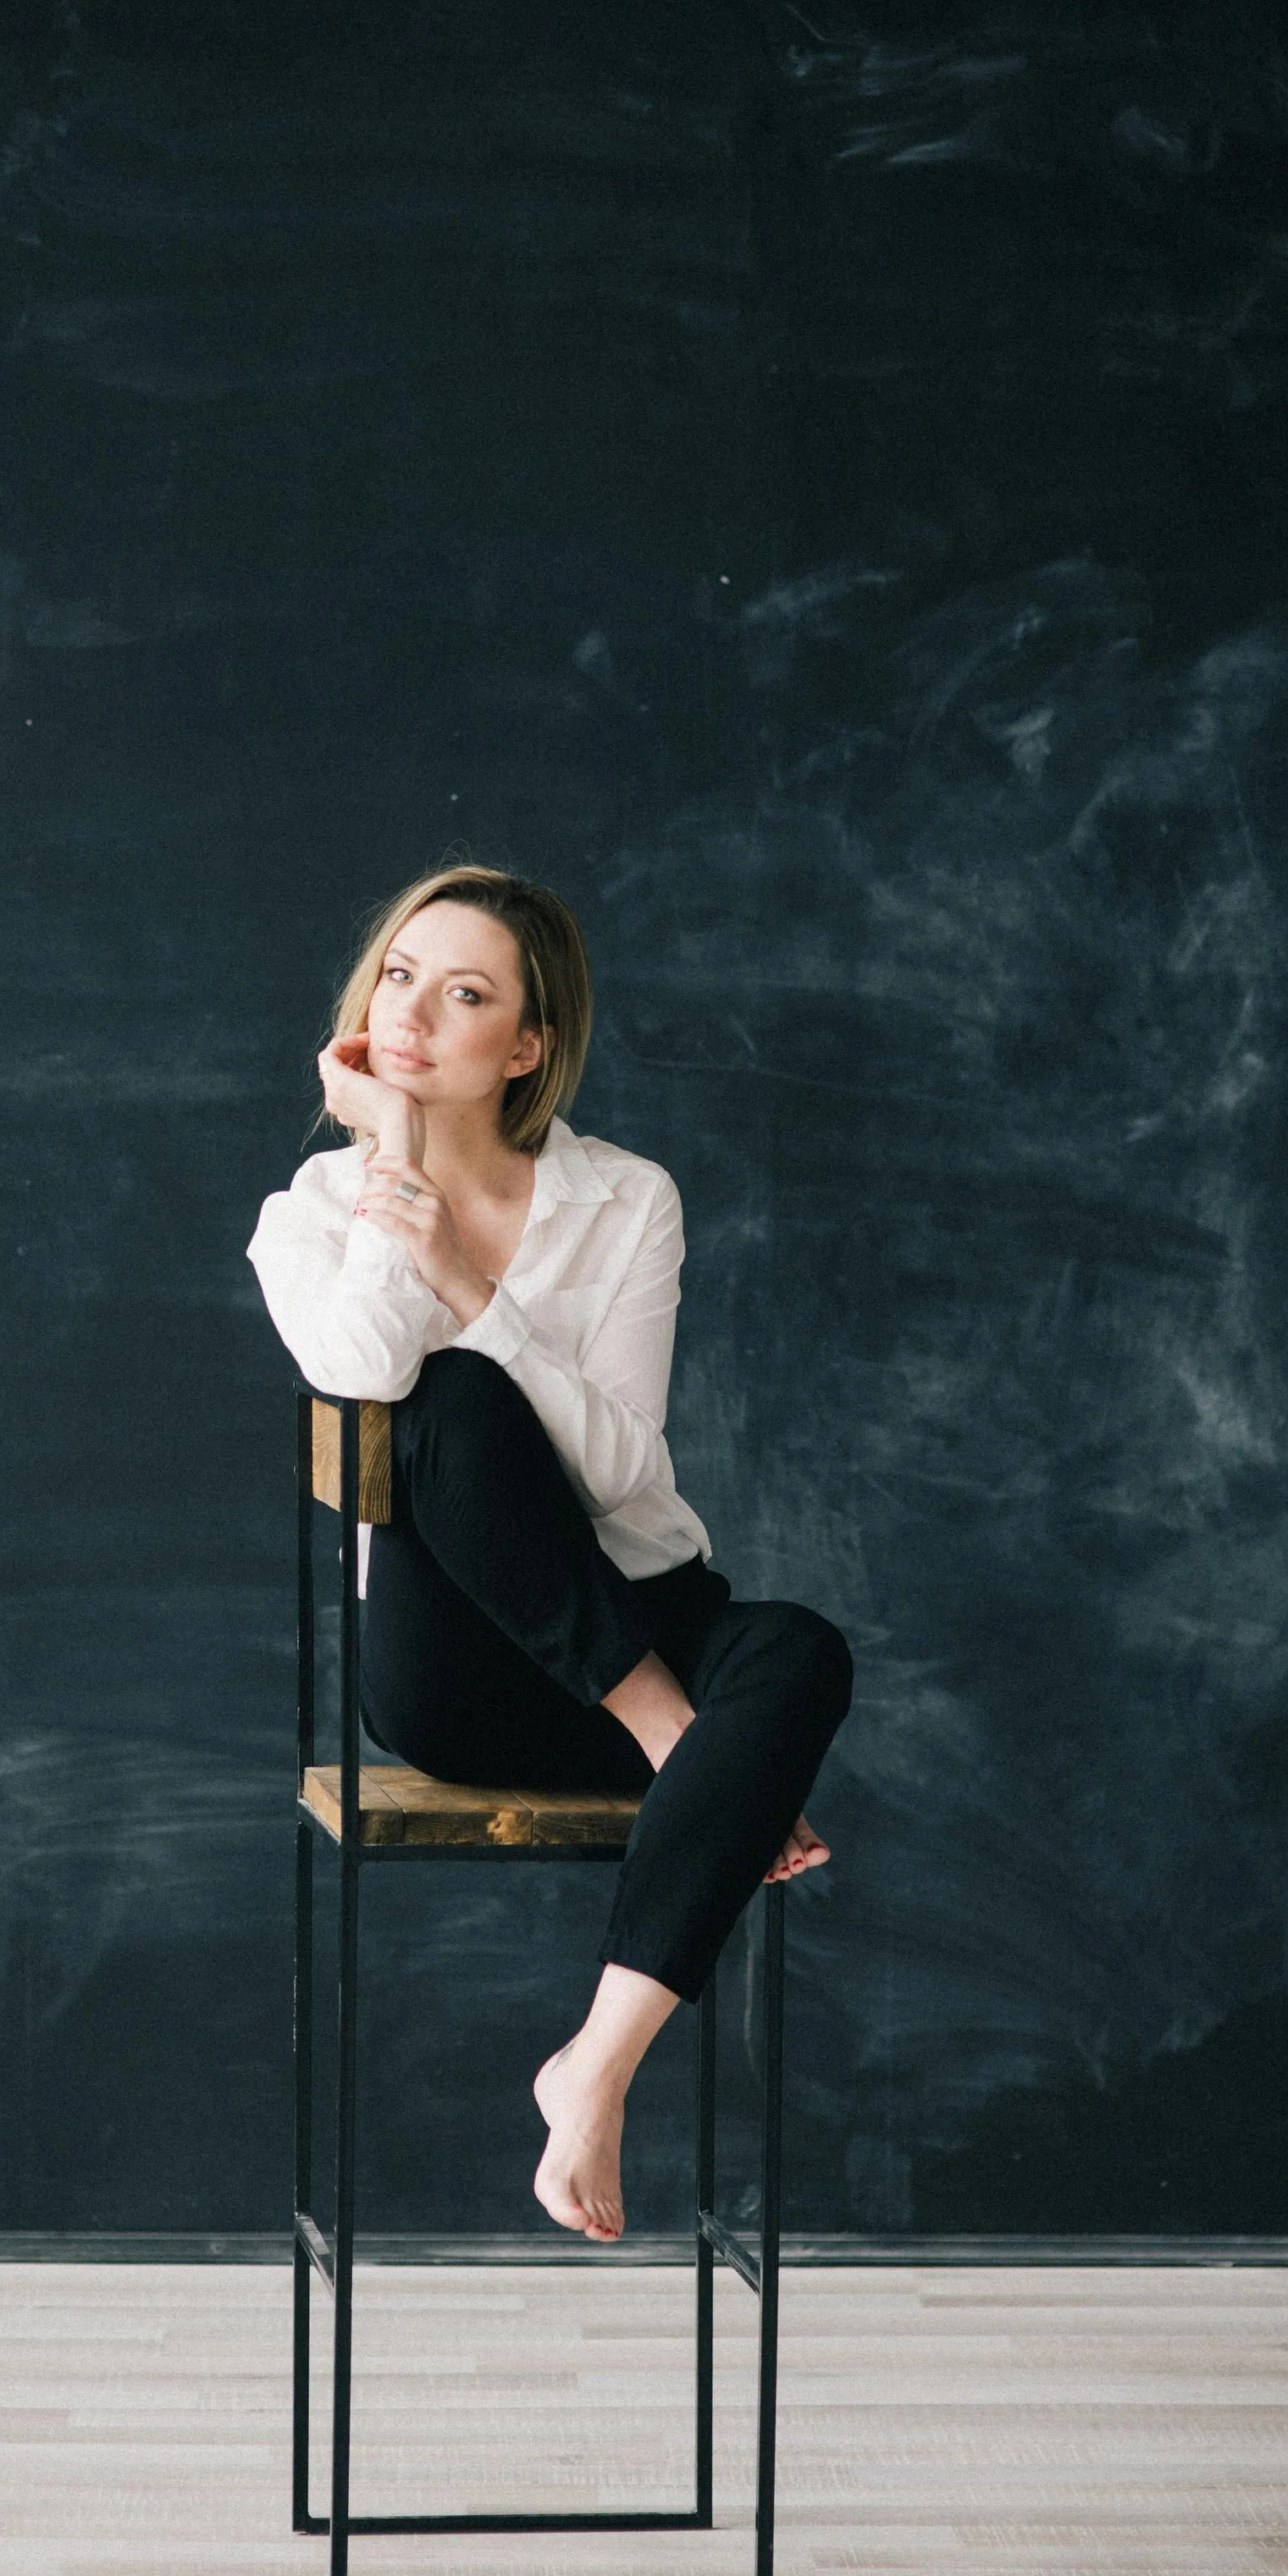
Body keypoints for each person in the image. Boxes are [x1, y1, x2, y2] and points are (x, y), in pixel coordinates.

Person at [246, 864, 854, 2244]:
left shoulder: (628, 1201)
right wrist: (396, 1176)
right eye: (400, 976)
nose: (417, 1013)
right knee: (449, 1404)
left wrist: (472, 1280)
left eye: (467, 994)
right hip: (456, 1668)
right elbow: (361, 1374)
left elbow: (628, 1472)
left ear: (525, 1046)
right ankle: (680, 1740)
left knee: (803, 1649)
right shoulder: (312, 1212)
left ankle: (595, 2066)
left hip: (638, 1598)